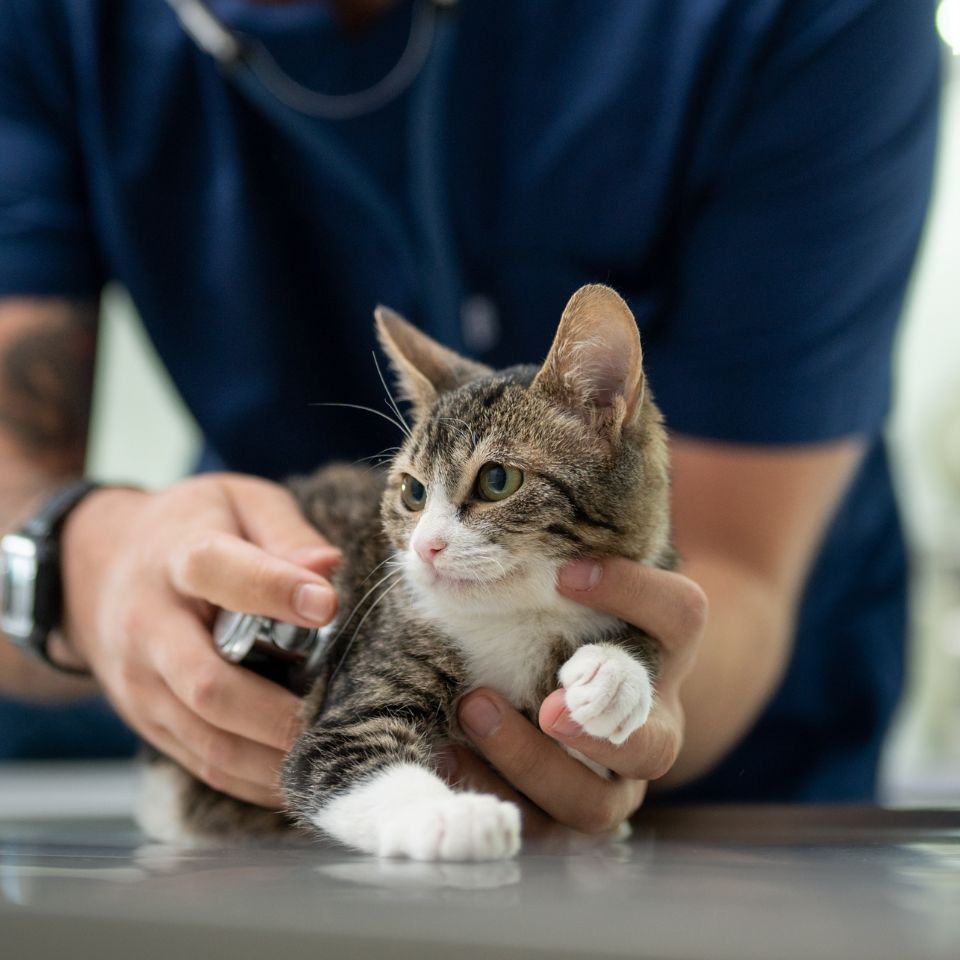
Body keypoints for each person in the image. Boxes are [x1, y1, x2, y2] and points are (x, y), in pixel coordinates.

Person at [0, 0, 941, 829]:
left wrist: (621, 706)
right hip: (277, 708)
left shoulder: (812, 17)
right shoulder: (50, 19)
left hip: (736, 794)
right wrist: (75, 557)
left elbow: (731, 566)